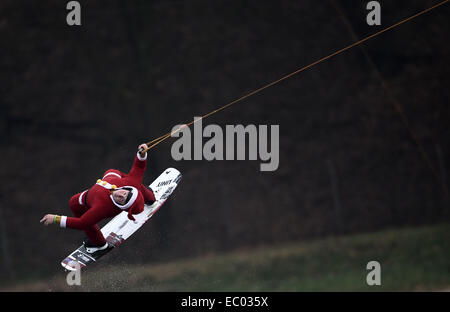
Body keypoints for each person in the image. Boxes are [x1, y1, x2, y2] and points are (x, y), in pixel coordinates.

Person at [40, 143, 156, 253]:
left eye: (122, 200)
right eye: (125, 193)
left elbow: (82, 223)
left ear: (121, 206)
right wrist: (142, 153)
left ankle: (98, 243)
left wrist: (55, 219)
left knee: (73, 203)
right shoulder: (131, 184)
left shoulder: (102, 208)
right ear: (127, 189)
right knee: (127, 180)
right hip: (111, 180)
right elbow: (139, 168)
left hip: (90, 197)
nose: (120, 195)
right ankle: (150, 198)